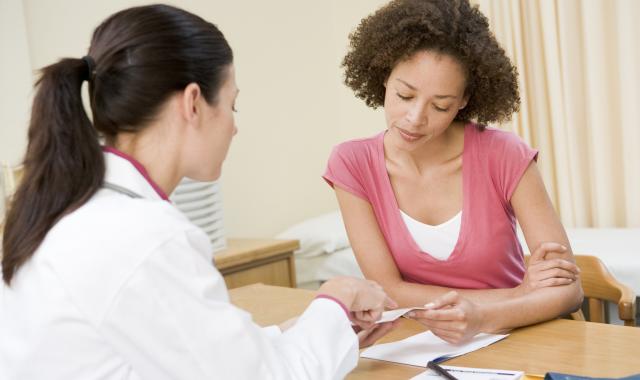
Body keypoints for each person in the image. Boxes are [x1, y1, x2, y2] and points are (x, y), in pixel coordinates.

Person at [0, 5, 398, 379]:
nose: (234, 127)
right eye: (231, 106)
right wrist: (335, 295)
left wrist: (315, 326)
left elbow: (204, 356)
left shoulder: (78, 209)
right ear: (193, 102)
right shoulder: (144, 237)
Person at [323, 0, 584, 344]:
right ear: (383, 75)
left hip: (520, 336)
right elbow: (388, 290)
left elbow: (568, 292)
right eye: (404, 95)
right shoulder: (352, 163)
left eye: (440, 105)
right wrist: (519, 294)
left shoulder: (503, 154)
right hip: (423, 343)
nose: (415, 118)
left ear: (463, 101)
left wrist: (484, 317)